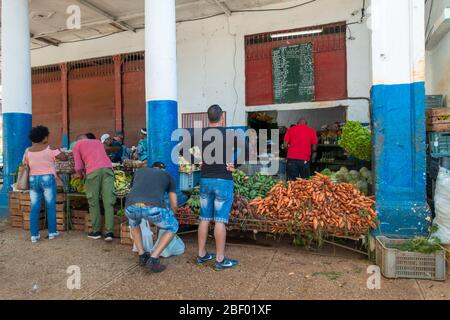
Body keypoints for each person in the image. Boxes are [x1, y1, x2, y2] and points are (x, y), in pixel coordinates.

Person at [193, 104, 242, 271]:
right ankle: (220, 260)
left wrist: (197, 160)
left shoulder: (200, 135)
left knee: (204, 218)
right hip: (223, 180)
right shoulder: (229, 134)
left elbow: (184, 148)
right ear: (222, 117)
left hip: (205, 179)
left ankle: (201, 255)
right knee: (220, 219)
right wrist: (235, 165)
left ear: (208, 118)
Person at [125, 161, 179, 273]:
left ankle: (142, 255)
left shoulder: (139, 172)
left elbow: (134, 190)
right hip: (152, 207)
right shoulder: (167, 176)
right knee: (173, 226)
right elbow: (174, 203)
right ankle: (153, 259)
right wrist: (171, 215)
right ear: (163, 169)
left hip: (130, 206)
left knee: (134, 224)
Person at [24, 126, 68, 243]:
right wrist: (58, 150)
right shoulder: (49, 148)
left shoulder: (28, 150)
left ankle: (34, 235)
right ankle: (52, 232)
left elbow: (25, 165)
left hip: (33, 179)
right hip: (47, 178)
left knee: (35, 207)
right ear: (44, 137)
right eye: (47, 136)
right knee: (50, 205)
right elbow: (64, 158)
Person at [73, 134, 116, 241]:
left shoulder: (77, 145)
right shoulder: (98, 142)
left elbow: (78, 166)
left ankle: (96, 231)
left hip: (93, 172)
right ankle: (109, 232)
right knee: (108, 202)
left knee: (93, 202)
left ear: (78, 140)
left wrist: (80, 175)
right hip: (108, 170)